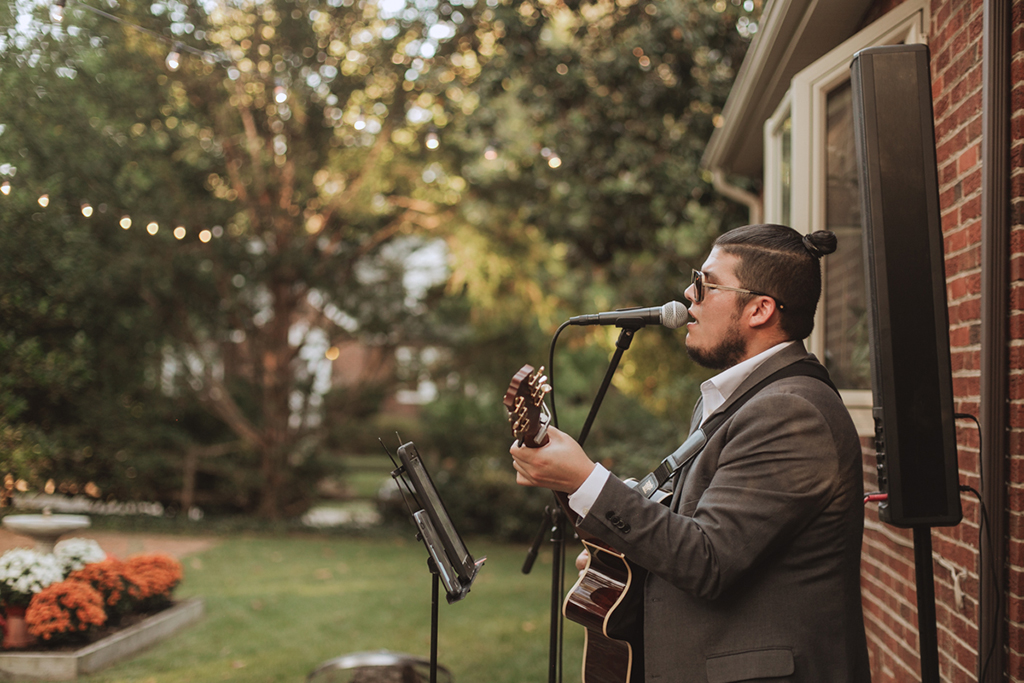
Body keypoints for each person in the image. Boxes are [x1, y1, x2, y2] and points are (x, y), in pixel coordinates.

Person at [510, 224, 871, 682]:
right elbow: (695, 528)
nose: (687, 294)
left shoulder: (789, 411)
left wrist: (585, 480)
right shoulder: (737, 397)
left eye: (705, 284)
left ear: (760, 309)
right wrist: (615, 541)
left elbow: (709, 560)